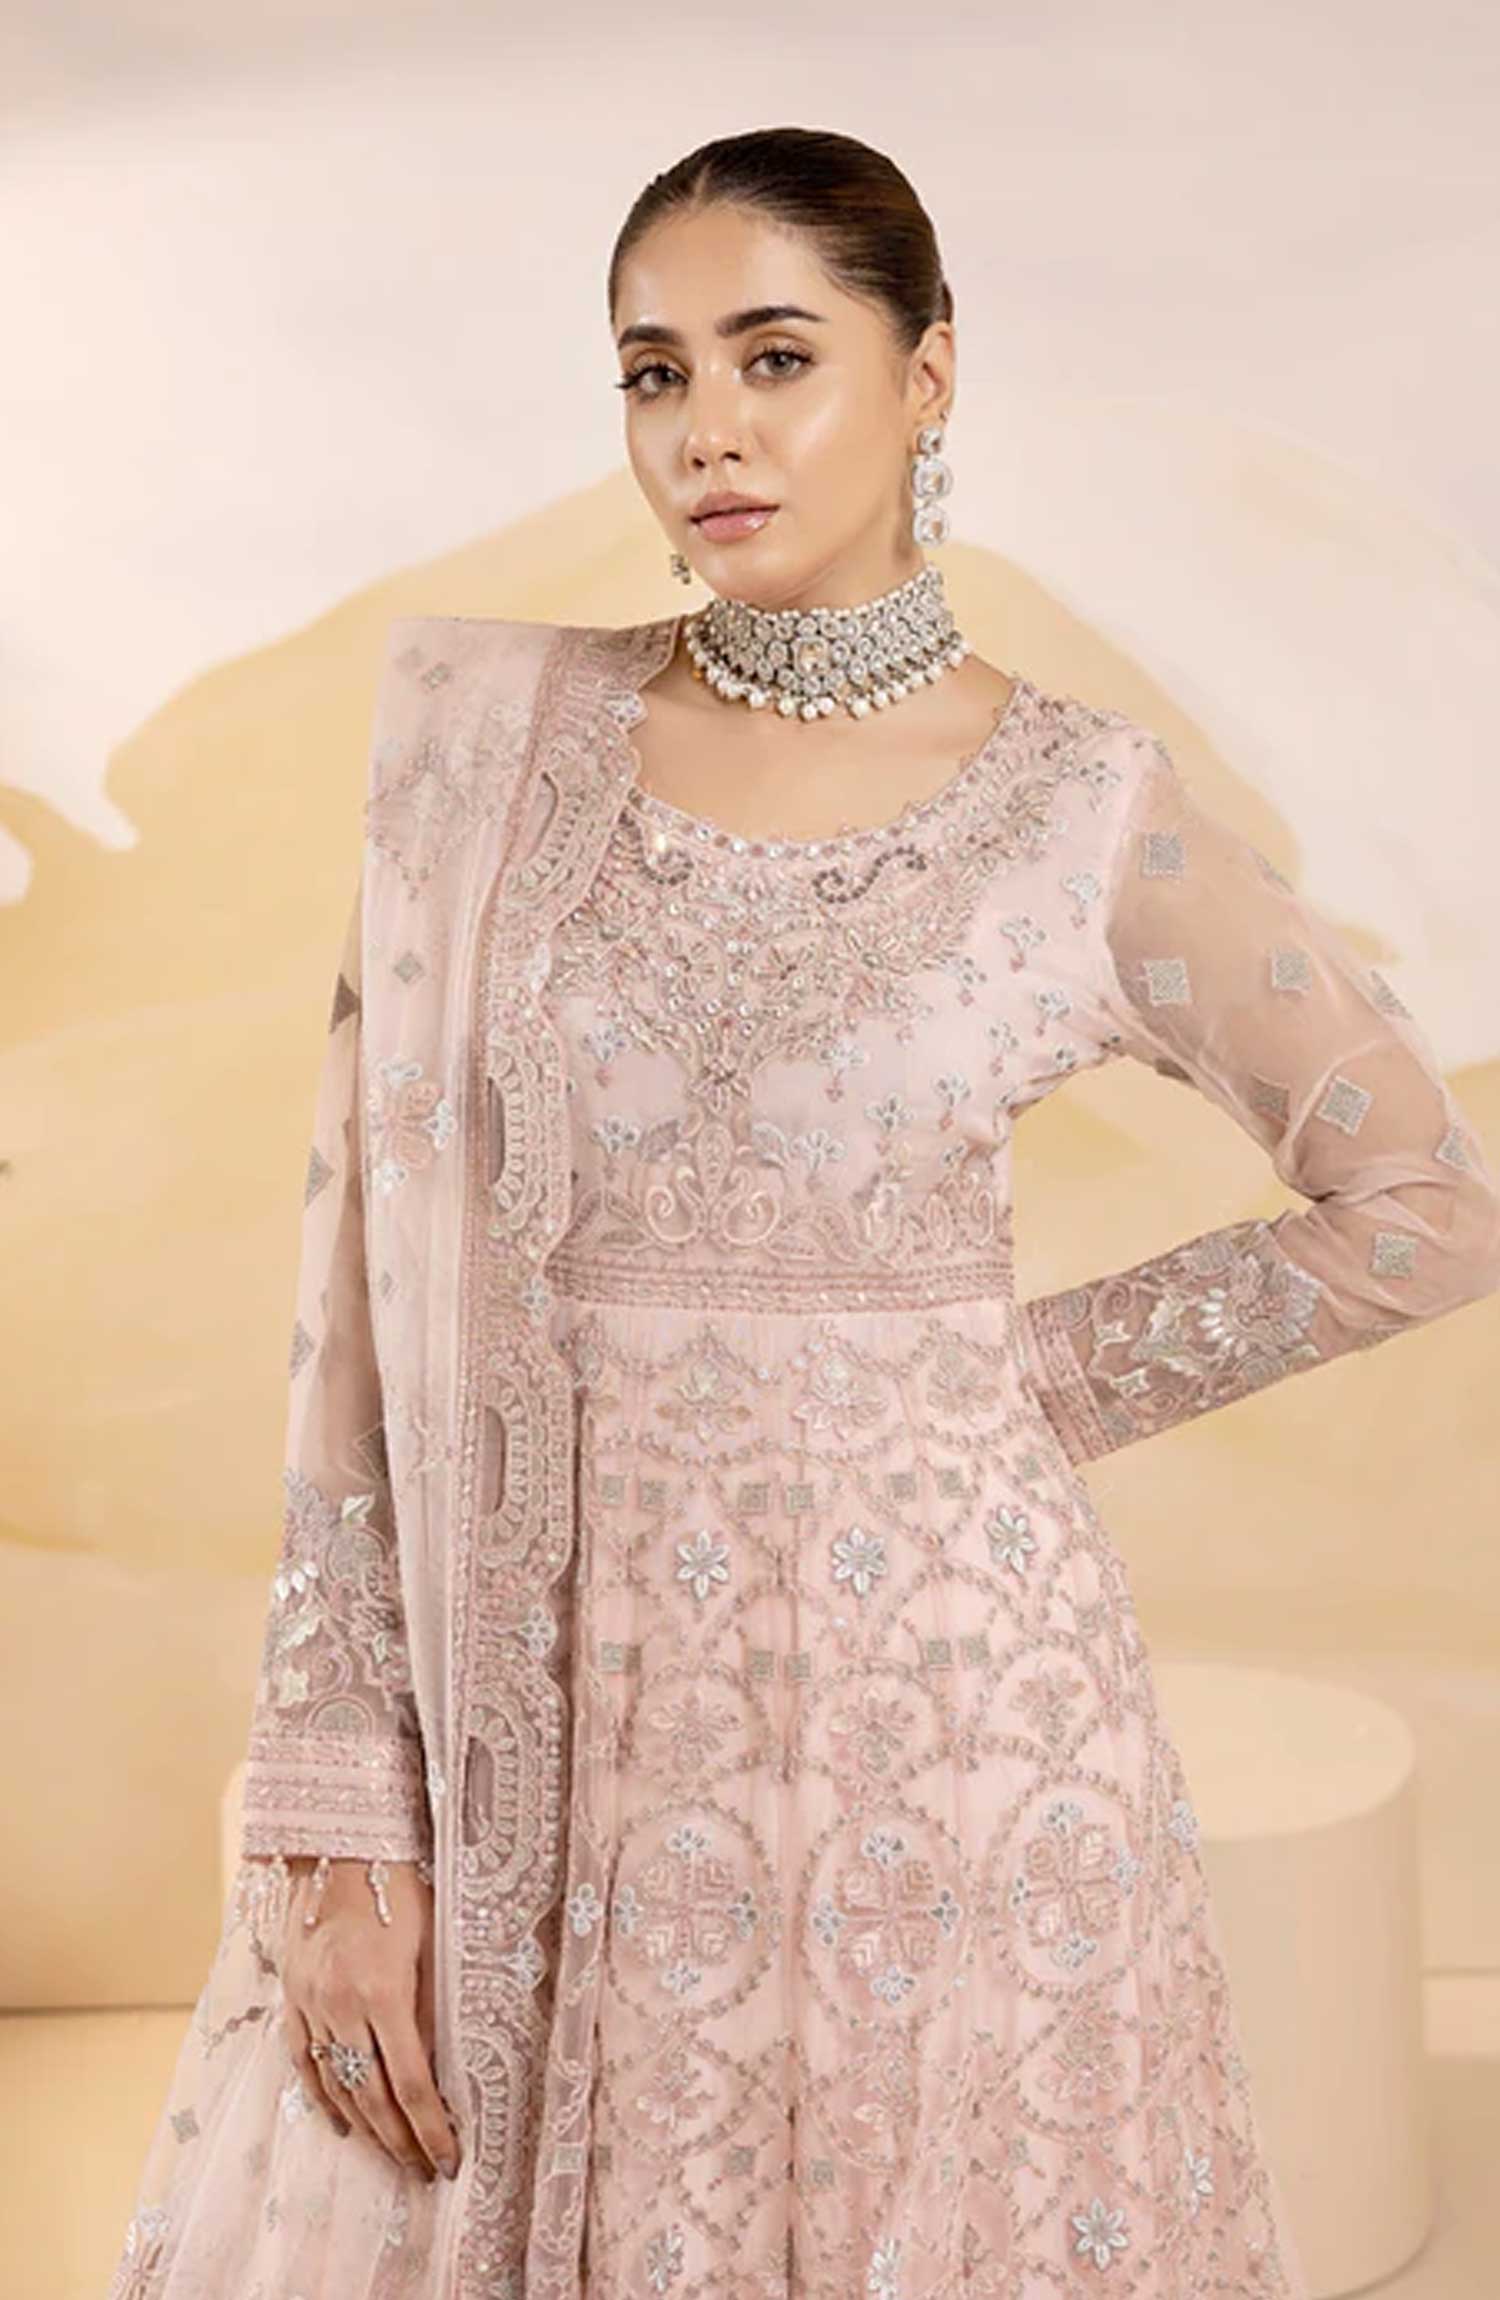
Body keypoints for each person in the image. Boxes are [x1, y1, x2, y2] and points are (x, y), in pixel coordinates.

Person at [106, 126, 1500, 2300]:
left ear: (926, 374)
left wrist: (1012, 1385)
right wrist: (335, 1803)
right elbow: (356, 1311)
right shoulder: (488, 755)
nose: (709, 431)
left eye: (776, 357)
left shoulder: (1080, 808)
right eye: (654, 373)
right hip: (543, 1701)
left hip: (950, 1708)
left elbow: (1422, 1202)